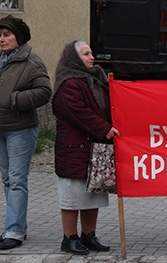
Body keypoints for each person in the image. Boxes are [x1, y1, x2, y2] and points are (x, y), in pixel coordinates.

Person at [52, 40, 119, 255]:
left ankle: (89, 235)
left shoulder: (96, 80)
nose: (92, 57)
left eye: (91, 53)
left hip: (94, 148)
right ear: (74, 58)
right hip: (74, 148)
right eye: (86, 54)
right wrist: (104, 129)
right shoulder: (69, 83)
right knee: (72, 196)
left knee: (92, 195)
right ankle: (69, 238)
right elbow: (78, 112)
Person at [0, 15, 52, 250]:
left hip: (20, 129)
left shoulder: (31, 61)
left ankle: (14, 231)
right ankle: (16, 224)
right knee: (8, 179)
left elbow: (44, 91)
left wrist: (14, 99)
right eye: (0, 35)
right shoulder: (0, 59)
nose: (2, 39)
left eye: (7, 34)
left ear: (18, 38)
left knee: (18, 180)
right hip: (0, 128)